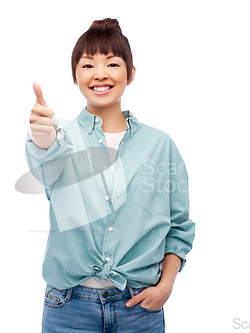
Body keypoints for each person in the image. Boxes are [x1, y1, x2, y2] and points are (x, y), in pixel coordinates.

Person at [26, 18, 195, 332]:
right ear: (75, 75)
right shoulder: (60, 135)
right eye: (88, 65)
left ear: (130, 74)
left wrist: (166, 286)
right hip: (68, 308)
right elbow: (45, 162)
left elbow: (179, 225)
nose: (100, 74)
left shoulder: (160, 145)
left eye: (112, 64)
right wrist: (42, 138)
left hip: (139, 308)